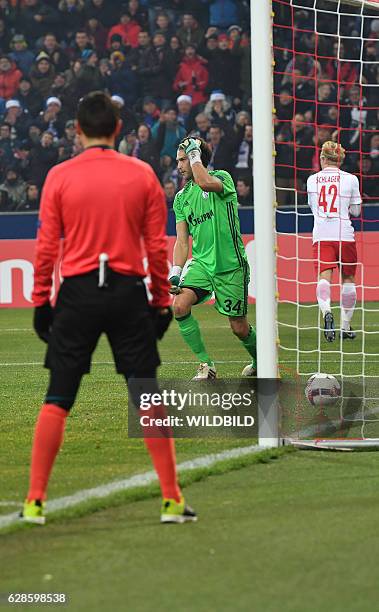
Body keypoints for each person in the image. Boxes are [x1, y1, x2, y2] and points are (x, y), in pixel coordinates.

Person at [21, 91, 196, 526]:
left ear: (76, 130)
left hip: (78, 293)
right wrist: (159, 302)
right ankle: (172, 500)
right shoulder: (140, 176)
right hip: (125, 292)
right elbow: (157, 248)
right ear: (118, 130)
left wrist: (42, 301)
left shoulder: (59, 177)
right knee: (145, 393)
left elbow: (46, 249)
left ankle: (35, 502)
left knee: (58, 396)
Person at [170, 136, 257, 380]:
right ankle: (206, 365)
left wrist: (196, 153)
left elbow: (206, 182)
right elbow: (182, 240)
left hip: (230, 266)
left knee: (238, 328)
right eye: (178, 161)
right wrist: (176, 271)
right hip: (201, 265)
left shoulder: (222, 178)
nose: (179, 166)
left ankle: (261, 361)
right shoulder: (181, 198)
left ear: (196, 157)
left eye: (183, 160)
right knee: (179, 305)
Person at [307, 141, 362, 342]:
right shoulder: (351, 179)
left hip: (322, 234)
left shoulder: (312, 180)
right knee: (348, 279)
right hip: (345, 235)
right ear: (340, 160)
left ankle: (326, 312)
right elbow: (356, 211)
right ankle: (346, 326)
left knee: (324, 277)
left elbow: (313, 208)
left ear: (323, 158)